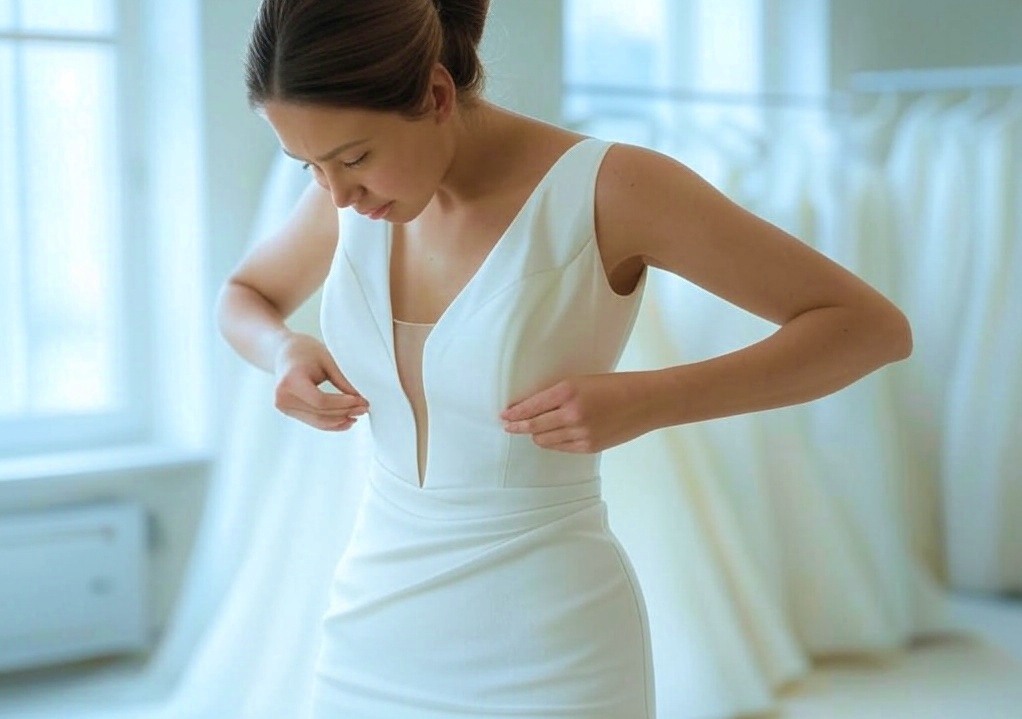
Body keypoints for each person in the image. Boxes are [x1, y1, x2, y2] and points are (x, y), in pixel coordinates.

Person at [215, 0, 913, 716]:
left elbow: (869, 327)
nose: (334, 192)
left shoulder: (611, 188)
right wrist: (281, 350)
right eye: (308, 166)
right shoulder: (351, 203)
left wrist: (657, 397)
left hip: (547, 643)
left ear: (434, 95)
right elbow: (243, 295)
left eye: (354, 157)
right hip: (371, 623)